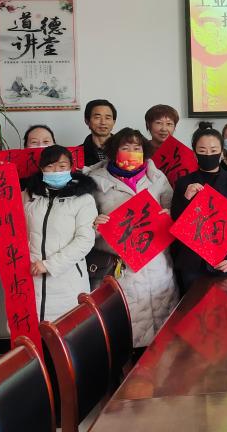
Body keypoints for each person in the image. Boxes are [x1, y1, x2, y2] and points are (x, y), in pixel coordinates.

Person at [87, 128, 177, 350]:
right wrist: (96, 226)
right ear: (113, 150)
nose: (131, 152)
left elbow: (172, 208)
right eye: (125, 147)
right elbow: (84, 225)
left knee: (164, 336)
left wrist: (169, 216)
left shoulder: (157, 178)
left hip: (157, 263)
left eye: (137, 148)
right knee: (126, 333)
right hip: (121, 266)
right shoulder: (95, 182)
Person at [170, 122, 227, 295]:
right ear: (194, 152)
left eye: (213, 150)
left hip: (226, 261)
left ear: (221, 151)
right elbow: (175, 221)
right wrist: (186, 199)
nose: (208, 154)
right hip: (193, 262)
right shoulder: (184, 182)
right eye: (202, 150)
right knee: (194, 307)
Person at [23, 145, 97, 321]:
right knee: (33, 331)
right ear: (41, 169)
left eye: (62, 166)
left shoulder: (83, 199)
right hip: (31, 278)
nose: (56, 171)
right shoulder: (29, 196)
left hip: (67, 281)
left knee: (67, 330)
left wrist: (50, 265)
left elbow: (85, 240)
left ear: (71, 167)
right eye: (50, 166)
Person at [82, 99, 116, 165]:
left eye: (107, 118)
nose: (103, 122)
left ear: (113, 122)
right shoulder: (76, 153)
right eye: (97, 117)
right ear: (87, 121)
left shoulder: (125, 149)